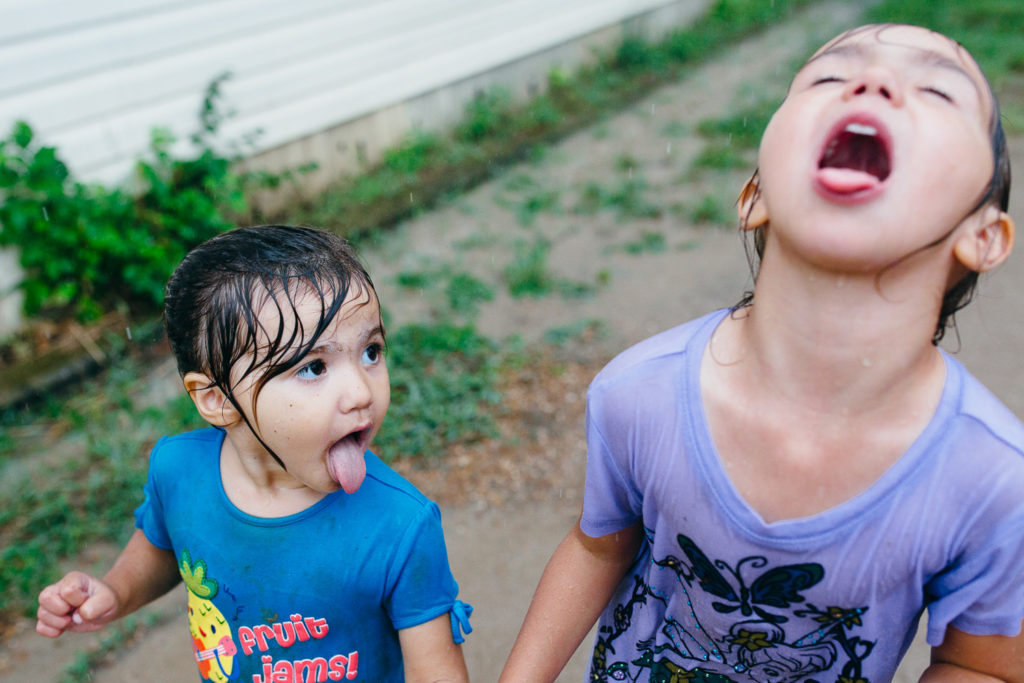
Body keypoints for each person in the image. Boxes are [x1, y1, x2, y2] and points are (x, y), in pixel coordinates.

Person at [500, 24, 1024, 683]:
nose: (873, 82)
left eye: (937, 91)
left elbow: (983, 664)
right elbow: (595, 549)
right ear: (755, 195)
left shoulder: (994, 483)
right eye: (831, 77)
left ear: (985, 235)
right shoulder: (638, 394)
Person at [36, 225, 472, 682]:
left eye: (371, 351)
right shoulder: (179, 472)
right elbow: (166, 545)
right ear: (217, 400)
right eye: (314, 367)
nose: (360, 392)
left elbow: (435, 671)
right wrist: (115, 592)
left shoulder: (400, 525)